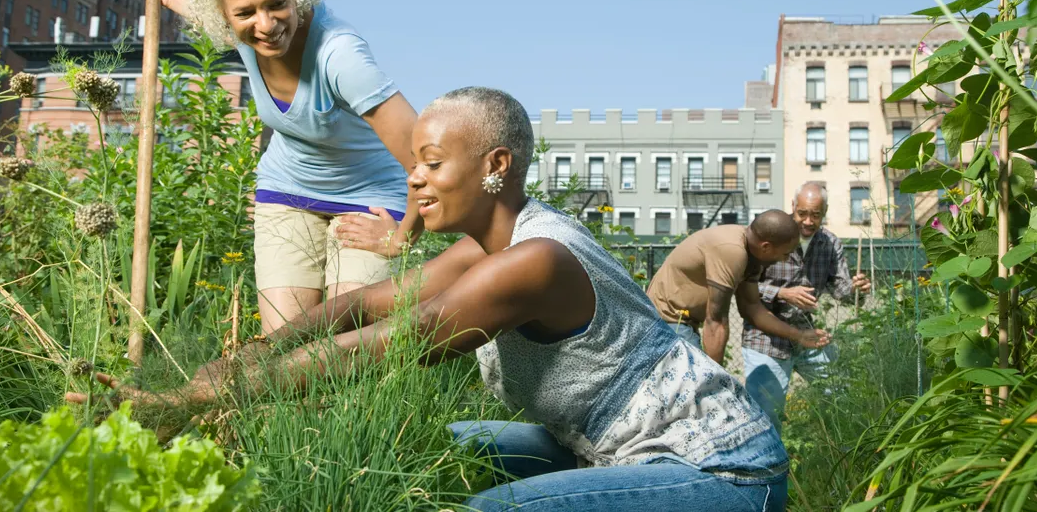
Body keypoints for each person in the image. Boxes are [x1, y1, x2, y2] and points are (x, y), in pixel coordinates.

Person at [70, 87, 791, 511]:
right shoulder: (484, 249)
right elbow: (362, 306)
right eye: (413, 161)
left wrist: (194, 401)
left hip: (721, 470)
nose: (413, 179)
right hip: (608, 450)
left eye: (432, 162)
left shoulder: (535, 260)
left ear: (495, 165)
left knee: (485, 510)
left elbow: (398, 340)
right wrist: (247, 357)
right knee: (423, 453)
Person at [137, 0, 422, 334]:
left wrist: (400, 240)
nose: (266, 25)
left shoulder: (340, 58)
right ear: (224, 17)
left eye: (277, 4)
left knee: (345, 343)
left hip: (369, 197)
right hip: (288, 192)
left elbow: (425, 161)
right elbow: (209, 8)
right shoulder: (242, 29)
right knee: (285, 348)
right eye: (246, 13)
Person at [740, 183, 871, 428]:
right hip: (765, 339)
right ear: (793, 207)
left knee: (841, 399)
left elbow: (842, 291)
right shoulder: (770, 233)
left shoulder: (830, 243)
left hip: (808, 336)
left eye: (816, 215)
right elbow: (743, 286)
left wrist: (857, 289)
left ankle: (833, 456)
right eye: (803, 213)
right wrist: (781, 293)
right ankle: (767, 465)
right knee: (766, 418)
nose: (809, 221)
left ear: (825, 212)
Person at [646, 216, 830, 364]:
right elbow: (716, 321)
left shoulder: (753, 255)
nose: (785, 259)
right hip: (667, 320)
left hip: (684, 322)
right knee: (692, 386)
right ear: (766, 247)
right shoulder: (733, 251)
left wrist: (799, 336)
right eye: (785, 253)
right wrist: (716, 383)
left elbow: (752, 309)